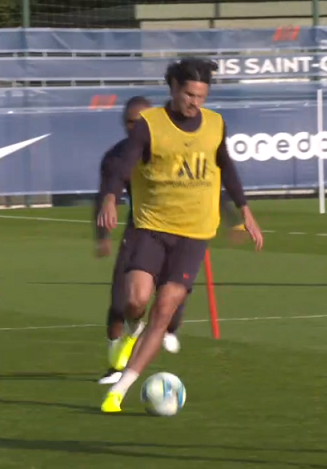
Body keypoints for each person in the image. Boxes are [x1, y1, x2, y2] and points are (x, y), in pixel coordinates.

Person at [96, 58, 264, 413]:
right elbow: (122, 165)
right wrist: (110, 197)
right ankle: (131, 331)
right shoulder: (149, 125)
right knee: (136, 301)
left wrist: (244, 210)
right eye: (189, 94)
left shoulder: (216, 124)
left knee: (167, 306)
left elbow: (226, 166)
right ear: (172, 87)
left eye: (201, 96)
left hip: (194, 234)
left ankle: (121, 389)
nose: (194, 103)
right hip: (152, 227)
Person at [95, 96, 187, 385]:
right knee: (121, 299)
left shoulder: (172, 150)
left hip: (177, 228)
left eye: (142, 122)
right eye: (131, 122)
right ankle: (115, 365)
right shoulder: (116, 157)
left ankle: (170, 328)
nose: (136, 127)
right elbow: (106, 195)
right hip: (139, 230)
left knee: (172, 288)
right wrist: (102, 235)